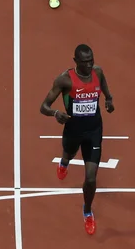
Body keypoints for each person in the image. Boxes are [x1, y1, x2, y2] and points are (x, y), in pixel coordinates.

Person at [40, 44, 115, 235]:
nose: (90, 65)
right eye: (85, 62)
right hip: (73, 130)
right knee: (68, 154)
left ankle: (88, 211)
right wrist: (56, 113)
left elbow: (104, 84)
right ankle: (64, 163)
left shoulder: (98, 72)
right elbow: (44, 106)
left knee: (90, 178)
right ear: (76, 62)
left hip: (94, 130)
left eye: (91, 60)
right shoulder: (65, 80)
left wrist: (108, 98)